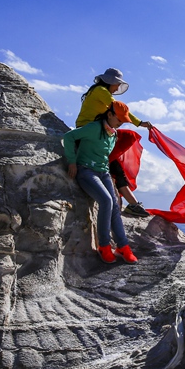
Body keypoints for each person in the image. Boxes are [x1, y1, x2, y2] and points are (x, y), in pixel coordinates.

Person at [63, 102, 137, 264]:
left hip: (103, 172)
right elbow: (69, 137)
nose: (121, 122)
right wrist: (72, 162)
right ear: (109, 114)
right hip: (86, 171)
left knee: (115, 206)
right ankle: (104, 246)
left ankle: (123, 247)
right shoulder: (94, 128)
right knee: (106, 201)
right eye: (119, 118)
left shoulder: (113, 134)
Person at [76, 68, 153, 218]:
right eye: (116, 84)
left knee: (115, 165)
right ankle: (132, 205)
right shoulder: (100, 91)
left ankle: (132, 204)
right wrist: (139, 123)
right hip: (89, 133)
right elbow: (118, 109)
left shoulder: (98, 91)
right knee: (120, 155)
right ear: (110, 82)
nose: (117, 87)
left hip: (95, 132)